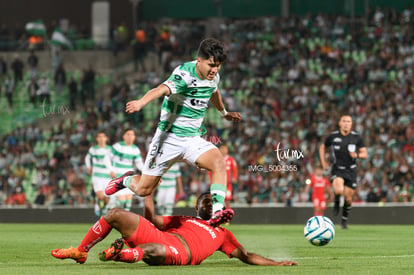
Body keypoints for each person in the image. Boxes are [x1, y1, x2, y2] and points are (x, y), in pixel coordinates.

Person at [105, 38, 242, 227]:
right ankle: (126, 180)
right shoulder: (184, 73)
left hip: (192, 139)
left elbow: (213, 92)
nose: (214, 70)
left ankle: (218, 212)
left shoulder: (213, 77)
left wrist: (224, 113)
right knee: (144, 189)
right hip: (168, 139)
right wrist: (141, 102)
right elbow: (161, 89)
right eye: (211, 65)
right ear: (199, 60)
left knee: (218, 161)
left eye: (218, 66)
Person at [51, 192, 297, 267]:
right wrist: (148, 193)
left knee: (154, 250)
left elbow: (246, 256)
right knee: (114, 214)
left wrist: (277, 264)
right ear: (198, 206)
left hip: (182, 253)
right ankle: (82, 251)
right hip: (164, 236)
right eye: (206, 201)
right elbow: (153, 220)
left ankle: (121, 254)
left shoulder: (223, 234)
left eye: (213, 202)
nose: (210, 203)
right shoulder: (184, 219)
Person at [319, 115, 368, 229]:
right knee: (339, 189)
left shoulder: (356, 137)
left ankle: (344, 221)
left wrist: (357, 155)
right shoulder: (333, 136)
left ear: (351, 124)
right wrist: (323, 163)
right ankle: (336, 201)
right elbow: (322, 147)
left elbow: (365, 154)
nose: (346, 123)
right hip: (337, 169)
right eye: (344, 121)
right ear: (340, 123)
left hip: (351, 170)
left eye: (349, 121)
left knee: (348, 198)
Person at [106, 128, 144, 211]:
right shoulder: (117, 147)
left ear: (134, 137)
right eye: (128, 134)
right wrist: (110, 170)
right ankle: (109, 210)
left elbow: (139, 164)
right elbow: (107, 158)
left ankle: (122, 222)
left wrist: (146, 172)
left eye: (132, 135)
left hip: (128, 177)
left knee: (128, 201)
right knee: (121, 201)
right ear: (124, 136)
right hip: (118, 177)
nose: (130, 137)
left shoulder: (135, 149)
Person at [85, 131, 113, 217]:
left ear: (106, 138)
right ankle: (98, 204)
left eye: (103, 137)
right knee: (100, 195)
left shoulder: (110, 149)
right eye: (99, 137)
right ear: (97, 139)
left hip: (107, 176)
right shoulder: (93, 149)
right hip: (97, 176)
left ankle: (104, 211)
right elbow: (87, 158)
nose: (101, 138)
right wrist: (89, 166)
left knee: (107, 197)